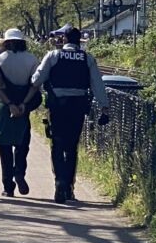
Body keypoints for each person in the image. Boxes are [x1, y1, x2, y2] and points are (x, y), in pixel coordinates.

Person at [30, 27, 109, 204]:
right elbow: (97, 84)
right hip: (78, 106)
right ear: (79, 40)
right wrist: (104, 107)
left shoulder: (53, 55)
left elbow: (36, 80)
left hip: (57, 106)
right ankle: (69, 187)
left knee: (57, 144)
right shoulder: (87, 58)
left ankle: (59, 181)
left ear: (64, 39)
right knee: (72, 146)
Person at [0, 28, 39, 197]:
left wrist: (9, 103)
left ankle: (8, 186)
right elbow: (35, 85)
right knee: (22, 145)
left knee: (4, 146)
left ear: (6, 42)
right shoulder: (32, 59)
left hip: (5, 106)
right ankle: (19, 173)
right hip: (24, 107)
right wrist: (24, 104)